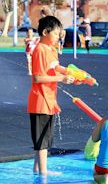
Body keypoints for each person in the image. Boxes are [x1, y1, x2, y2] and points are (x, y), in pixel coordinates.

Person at [27, 16, 75, 175]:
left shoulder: (51, 49)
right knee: (42, 140)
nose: (58, 38)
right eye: (55, 34)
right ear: (45, 32)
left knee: (45, 138)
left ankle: (37, 169)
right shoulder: (40, 50)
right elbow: (38, 78)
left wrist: (72, 73)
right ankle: (43, 172)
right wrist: (61, 78)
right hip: (40, 101)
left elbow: (56, 67)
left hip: (49, 100)